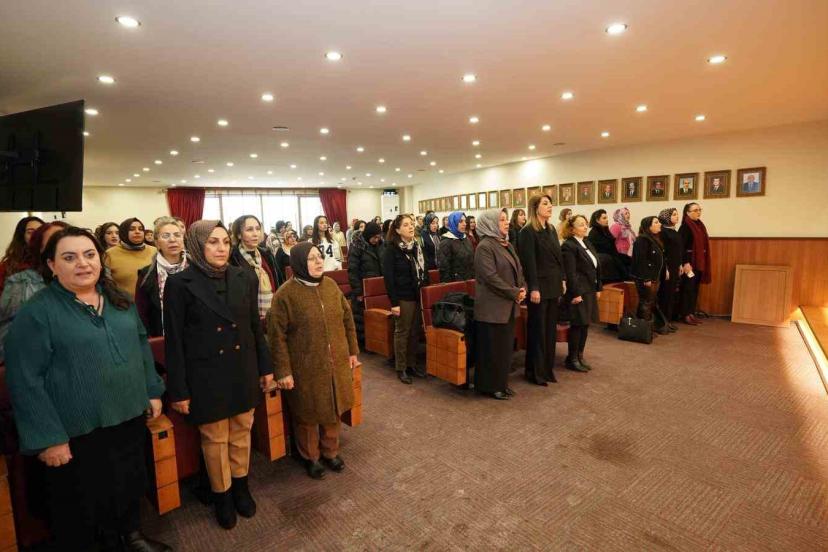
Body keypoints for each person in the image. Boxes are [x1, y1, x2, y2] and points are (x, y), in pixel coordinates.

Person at [5, 227, 170, 552]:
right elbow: (25, 379)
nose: (82, 263)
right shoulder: (36, 313)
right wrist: (48, 437)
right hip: (77, 429)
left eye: (89, 254)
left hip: (127, 414)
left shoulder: (119, 301)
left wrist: (152, 390)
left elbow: (140, 345)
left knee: (129, 481)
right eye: (69, 257)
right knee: (85, 500)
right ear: (51, 265)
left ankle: (132, 536)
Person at [164, 220, 274, 529]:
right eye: (212, 242)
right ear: (197, 245)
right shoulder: (179, 283)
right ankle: (222, 495)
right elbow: (174, 341)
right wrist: (179, 389)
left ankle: (241, 487)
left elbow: (254, 327)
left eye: (225, 241)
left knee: (242, 431)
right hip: (205, 374)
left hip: (242, 368)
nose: (221, 248)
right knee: (214, 439)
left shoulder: (244, 276)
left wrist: (265, 367)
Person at [268, 242, 359, 479]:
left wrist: (352, 351)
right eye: (311, 258)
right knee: (307, 413)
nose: (319, 262)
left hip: (335, 361)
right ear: (299, 263)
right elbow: (276, 337)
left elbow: (347, 320)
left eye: (319, 256)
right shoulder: (285, 295)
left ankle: (330, 451)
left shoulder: (330, 286)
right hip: (305, 366)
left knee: (333, 407)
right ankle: (310, 456)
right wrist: (283, 371)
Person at [474, 209, 526, 400]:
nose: (506, 223)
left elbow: (519, 269)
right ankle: (490, 386)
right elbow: (490, 278)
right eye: (502, 220)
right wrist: (514, 292)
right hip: (492, 308)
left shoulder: (506, 244)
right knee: (492, 349)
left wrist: (522, 288)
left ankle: (501, 383)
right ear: (491, 223)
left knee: (504, 348)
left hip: (508, 305)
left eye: (506, 219)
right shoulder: (484, 246)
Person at [0, 221, 68, 361]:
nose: (62, 246)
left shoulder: (94, 282)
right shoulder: (21, 282)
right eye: (53, 241)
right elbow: (9, 334)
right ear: (40, 249)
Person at [518, 194, 565, 386]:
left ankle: (547, 369)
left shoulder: (551, 229)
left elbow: (558, 258)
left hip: (553, 285)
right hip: (539, 288)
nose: (550, 206)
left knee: (550, 331)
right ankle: (535, 372)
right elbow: (529, 263)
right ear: (535, 207)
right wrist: (534, 288)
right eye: (545, 203)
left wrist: (563, 279)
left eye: (550, 203)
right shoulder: (527, 231)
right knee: (538, 330)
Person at [382, 214, 430, 384]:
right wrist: (394, 303)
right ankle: (401, 367)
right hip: (402, 297)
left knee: (414, 332)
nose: (410, 227)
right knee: (402, 333)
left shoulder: (416, 246)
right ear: (397, 230)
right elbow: (389, 279)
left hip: (416, 295)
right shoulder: (391, 249)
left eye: (411, 224)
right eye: (406, 225)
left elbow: (424, 270)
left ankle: (411, 364)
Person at [561, 215, 602, 372]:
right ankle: (572, 359)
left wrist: (598, 288)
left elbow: (596, 267)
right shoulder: (569, 246)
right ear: (572, 229)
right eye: (581, 225)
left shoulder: (587, 242)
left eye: (586, 224)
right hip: (578, 291)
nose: (585, 227)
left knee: (585, 324)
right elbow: (570, 273)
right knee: (577, 325)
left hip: (589, 289)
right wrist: (575, 293)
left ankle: (580, 355)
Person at [135, 217, 187, 337]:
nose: (172, 239)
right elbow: (142, 313)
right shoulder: (147, 274)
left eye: (177, 235)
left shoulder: (196, 269)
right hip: (162, 337)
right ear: (157, 243)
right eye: (166, 236)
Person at [229, 215, 281, 320]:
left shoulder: (266, 254)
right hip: (246, 318)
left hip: (272, 316)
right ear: (239, 234)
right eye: (249, 229)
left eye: (258, 229)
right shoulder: (232, 259)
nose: (255, 233)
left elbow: (278, 282)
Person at [348, 221, 383, 344]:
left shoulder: (381, 246)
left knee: (377, 316)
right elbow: (352, 271)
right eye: (374, 237)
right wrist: (358, 291)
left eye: (379, 237)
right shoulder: (357, 247)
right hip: (362, 288)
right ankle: (363, 343)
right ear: (368, 235)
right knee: (361, 317)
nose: (377, 240)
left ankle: (376, 341)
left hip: (377, 287)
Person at [632, 216, 669, 334]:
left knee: (650, 301)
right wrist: (646, 278)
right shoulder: (642, 240)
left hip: (655, 277)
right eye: (656, 222)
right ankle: (643, 330)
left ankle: (646, 327)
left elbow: (661, 258)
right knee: (646, 302)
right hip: (646, 278)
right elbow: (641, 261)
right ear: (649, 226)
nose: (660, 224)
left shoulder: (654, 239)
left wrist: (665, 270)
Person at [105, 218, 157, 299]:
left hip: (154, 302)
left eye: (141, 229)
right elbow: (107, 284)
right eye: (132, 229)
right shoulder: (110, 254)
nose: (137, 232)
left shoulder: (154, 251)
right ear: (124, 232)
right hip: (125, 303)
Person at [678, 203, 711, 325]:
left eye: (699, 210)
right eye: (695, 210)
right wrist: (685, 262)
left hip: (698, 262)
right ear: (688, 213)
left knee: (694, 289)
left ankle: (691, 313)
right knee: (688, 288)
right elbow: (681, 247)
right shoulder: (685, 227)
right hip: (689, 263)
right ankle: (685, 314)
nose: (698, 212)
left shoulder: (700, 225)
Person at [0, 216, 44, 298]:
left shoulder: (53, 261)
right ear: (22, 236)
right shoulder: (8, 266)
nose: (36, 236)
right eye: (30, 232)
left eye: (40, 232)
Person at [586, 209, 628, 282]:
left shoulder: (605, 230)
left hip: (611, 256)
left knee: (629, 260)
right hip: (605, 261)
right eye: (604, 218)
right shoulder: (594, 233)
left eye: (607, 218)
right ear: (597, 220)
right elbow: (605, 249)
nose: (607, 220)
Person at [657, 208, 682, 333]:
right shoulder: (663, 232)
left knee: (671, 294)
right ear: (666, 217)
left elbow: (678, 250)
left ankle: (668, 320)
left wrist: (680, 264)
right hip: (667, 267)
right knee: (665, 294)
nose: (677, 216)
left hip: (675, 265)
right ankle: (662, 322)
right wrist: (665, 268)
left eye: (677, 214)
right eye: (674, 215)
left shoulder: (674, 231)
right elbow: (663, 252)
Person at [437, 212, 475, 282]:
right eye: (460, 221)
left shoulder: (466, 238)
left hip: (469, 279)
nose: (464, 224)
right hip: (456, 283)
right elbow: (444, 269)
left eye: (465, 221)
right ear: (453, 223)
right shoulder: (446, 242)